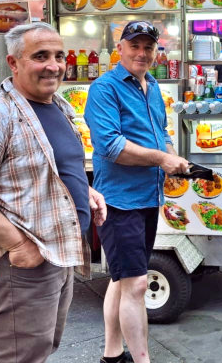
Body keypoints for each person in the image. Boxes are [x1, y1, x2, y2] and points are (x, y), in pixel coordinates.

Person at [0, 22, 107, 363]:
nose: (54, 66)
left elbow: (52, 169)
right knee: (20, 358)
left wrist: (85, 191)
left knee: (40, 350)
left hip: (59, 254)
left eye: (59, 56)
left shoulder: (57, 106)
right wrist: (18, 245)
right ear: (14, 63)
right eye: (41, 56)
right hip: (22, 265)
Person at [85, 20, 189, 363]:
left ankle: (112, 355)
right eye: (135, 46)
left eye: (148, 47)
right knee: (137, 284)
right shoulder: (104, 88)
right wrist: (161, 159)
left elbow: (161, 131)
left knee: (122, 279)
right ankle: (142, 359)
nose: (142, 53)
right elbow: (111, 146)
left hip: (147, 197)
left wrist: (172, 157)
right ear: (120, 49)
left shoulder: (153, 85)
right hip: (118, 201)